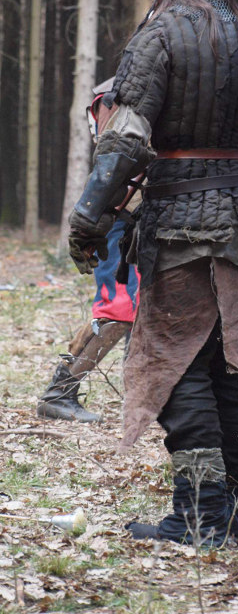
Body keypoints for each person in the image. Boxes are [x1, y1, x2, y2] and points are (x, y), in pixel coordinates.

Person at [67, 0, 238, 546]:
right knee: (237, 366)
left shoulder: (159, 35)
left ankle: (201, 513)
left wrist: (90, 218)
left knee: (180, 366)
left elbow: (124, 140)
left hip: (181, 230)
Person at [37, 83, 140, 423]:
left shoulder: (142, 87)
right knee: (119, 309)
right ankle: (59, 392)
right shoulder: (116, 95)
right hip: (119, 218)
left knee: (144, 307)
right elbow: (114, 160)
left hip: (141, 218)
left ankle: (142, 397)